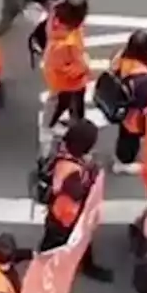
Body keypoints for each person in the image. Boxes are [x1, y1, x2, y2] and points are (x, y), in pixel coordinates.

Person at [39, 118, 113, 282]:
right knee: (54, 243)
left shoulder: (64, 152)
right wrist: (92, 176)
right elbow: (76, 193)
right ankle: (44, 266)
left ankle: (86, 265)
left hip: (66, 214)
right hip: (64, 217)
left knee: (82, 241)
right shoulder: (71, 169)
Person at [42, 0, 92, 135]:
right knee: (67, 105)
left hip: (57, 77)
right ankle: (50, 135)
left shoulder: (56, 19)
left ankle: (61, 124)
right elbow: (74, 68)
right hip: (68, 83)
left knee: (64, 104)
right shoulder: (69, 44)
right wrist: (85, 65)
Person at [108, 29, 147, 176]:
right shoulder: (142, 76)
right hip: (133, 113)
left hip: (120, 104)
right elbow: (142, 101)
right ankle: (123, 162)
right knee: (130, 137)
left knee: (124, 133)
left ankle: (121, 156)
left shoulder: (121, 57)